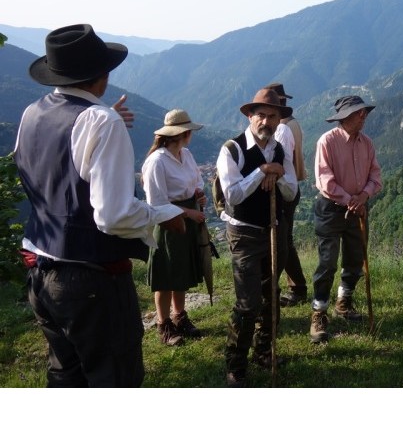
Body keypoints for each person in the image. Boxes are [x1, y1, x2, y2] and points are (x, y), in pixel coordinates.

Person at [13, 23, 186, 387]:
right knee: (114, 378)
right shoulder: (100, 121)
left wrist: (102, 124)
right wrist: (165, 213)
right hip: (91, 279)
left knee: (67, 375)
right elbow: (114, 215)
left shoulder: (33, 113)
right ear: (103, 74)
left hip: (41, 273)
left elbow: (51, 167)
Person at [216, 87, 297, 387]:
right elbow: (232, 193)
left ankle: (264, 353)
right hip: (243, 234)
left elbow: (291, 190)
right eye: (260, 115)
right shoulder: (232, 149)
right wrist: (263, 171)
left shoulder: (280, 150)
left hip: (273, 230)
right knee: (248, 303)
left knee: (271, 297)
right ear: (250, 116)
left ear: (279, 120)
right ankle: (235, 365)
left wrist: (277, 173)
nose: (266, 121)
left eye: (272, 116)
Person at [310, 95, 382, 344]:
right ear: (344, 117)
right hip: (331, 209)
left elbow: (376, 176)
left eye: (364, 113)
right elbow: (324, 180)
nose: (363, 117)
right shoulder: (327, 142)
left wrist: (363, 196)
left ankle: (344, 301)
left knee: (355, 257)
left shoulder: (367, 144)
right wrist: (350, 198)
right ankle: (319, 312)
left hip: (358, 208)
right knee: (327, 262)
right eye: (358, 113)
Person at [141, 109, 207, 346]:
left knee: (180, 272)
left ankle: (179, 317)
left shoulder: (185, 154)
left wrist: (198, 193)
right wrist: (188, 212)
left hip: (187, 216)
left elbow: (196, 181)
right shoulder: (157, 161)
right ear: (185, 133)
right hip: (168, 221)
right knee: (166, 275)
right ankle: (163, 324)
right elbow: (156, 203)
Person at [265, 82, 310, 307]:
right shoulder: (293, 124)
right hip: (293, 186)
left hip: (285, 191)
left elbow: (278, 163)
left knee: (283, 241)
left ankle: (294, 287)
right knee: (286, 239)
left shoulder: (282, 129)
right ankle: (296, 286)